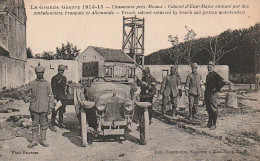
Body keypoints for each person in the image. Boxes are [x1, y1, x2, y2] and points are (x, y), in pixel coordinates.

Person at [20, 65, 54, 148]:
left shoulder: (47, 84)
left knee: (44, 125)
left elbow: (51, 96)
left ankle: (43, 140)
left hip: (44, 108)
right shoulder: (32, 83)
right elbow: (22, 91)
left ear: (43, 73)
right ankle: (34, 140)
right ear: (36, 73)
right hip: (34, 108)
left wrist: (50, 107)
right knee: (34, 125)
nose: (40, 74)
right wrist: (28, 99)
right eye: (38, 73)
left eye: (41, 73)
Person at [204, 61, 225, 130]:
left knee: (213, 108)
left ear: (213, 67)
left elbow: (222, 82)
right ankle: (209, 122)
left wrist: (217, 89)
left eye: (210, 67)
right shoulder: (208, 75)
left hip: (213, 94)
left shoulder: (215, 75)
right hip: (207, 93)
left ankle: (214, 124)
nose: (209, 68)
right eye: (208, 67)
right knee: (208, 108)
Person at [50, 64, 67, 131]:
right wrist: (54, 97)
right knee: (55, 110)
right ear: (58, 70)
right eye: (60, 70)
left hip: (62, 96)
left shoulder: (64, 78)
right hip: (57, 96)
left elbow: (64, 87)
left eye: (62, 70)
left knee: (62, 110)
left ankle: (61, 122)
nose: (61, 72)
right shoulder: (55, 78)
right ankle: (53, 123)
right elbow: (53, 88)